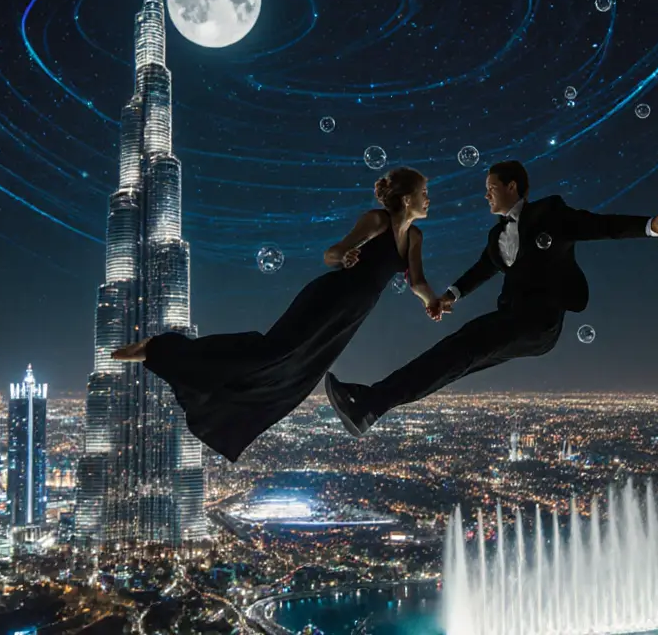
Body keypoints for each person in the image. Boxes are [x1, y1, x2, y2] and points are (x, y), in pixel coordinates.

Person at [324, 160, 658, 436]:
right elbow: (483, 268)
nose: (486, 195)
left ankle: (370, 404)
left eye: (491, 187)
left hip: (539, 323)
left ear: (512, 187)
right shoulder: (497, 236)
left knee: (456, 350)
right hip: (514, 320)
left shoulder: (551, 214)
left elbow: (601, 226)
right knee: (452, 361)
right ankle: (371, 407)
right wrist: (449, 296)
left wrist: (651, 226)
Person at [110, 167, 440, 462]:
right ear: (408, 198)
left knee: (298, 374)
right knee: (269, 351)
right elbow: (332, 253)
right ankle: (161, 349)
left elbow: (418, 281)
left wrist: (433, 302)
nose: (429, 199)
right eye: (424, 193)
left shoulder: (414, 236)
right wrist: (346, 256)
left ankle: (218, 397)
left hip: (352, 315)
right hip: (330, 298)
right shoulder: (377, 221)